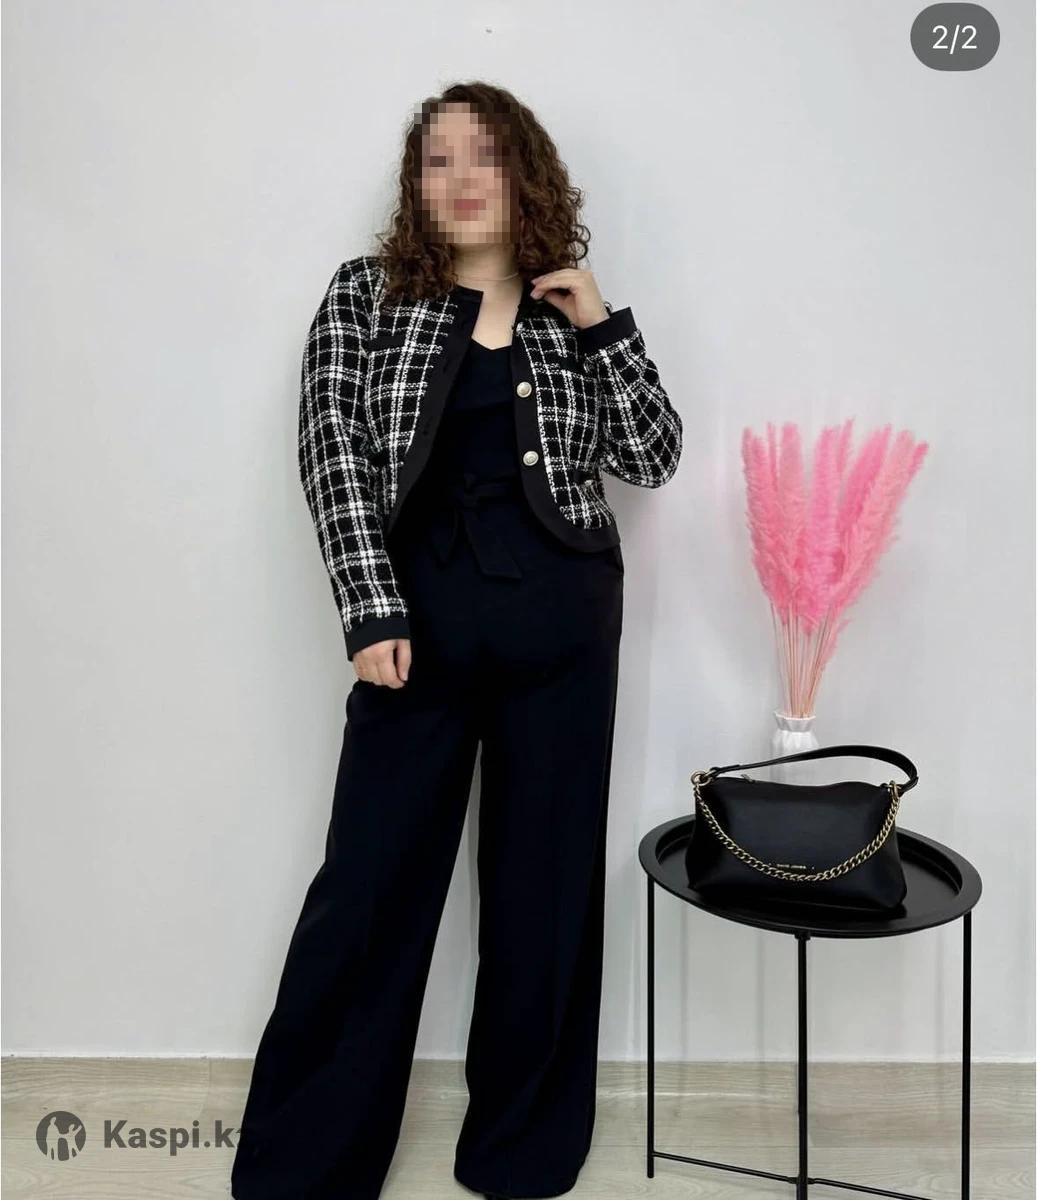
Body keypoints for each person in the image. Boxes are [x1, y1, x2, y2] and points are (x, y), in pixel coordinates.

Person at [231, 80, 682, 1200]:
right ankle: (306, 1163)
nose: (462, 178)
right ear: (415, 187)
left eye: (484, 156)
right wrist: (369, 607)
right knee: (368, 889)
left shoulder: (566, 311)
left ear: (525, 174)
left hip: (561, 632)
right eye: (438, 160)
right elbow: (331, 452)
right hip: (414, 636)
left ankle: (521, 1152)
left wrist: (601, 324)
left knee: (543, 894)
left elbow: (652, 456)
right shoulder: (367, 294)